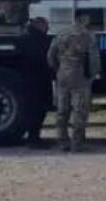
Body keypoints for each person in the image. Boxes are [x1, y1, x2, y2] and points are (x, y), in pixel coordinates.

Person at [47, 12, 101, 153]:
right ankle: (77, 144)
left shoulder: (61, 34)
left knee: (62, 109)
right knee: (79, 109)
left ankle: (63, 142)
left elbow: (50, 56)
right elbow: (94, 59)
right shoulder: (87, 35)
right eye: (87, 18)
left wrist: (58, 68)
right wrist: (93, 75)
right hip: (79, 74)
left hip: (62, 73)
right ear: (83, 19)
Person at [23, 16, 53, 149]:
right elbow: (47, 59)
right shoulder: (40, 40)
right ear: (40, 25)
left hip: (31, 80)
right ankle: (33, 138)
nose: (48, 28)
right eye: (46, 25)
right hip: (39, 80)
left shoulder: (27, 38)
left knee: (34, 109)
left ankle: (33, 137)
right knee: (38, 110)